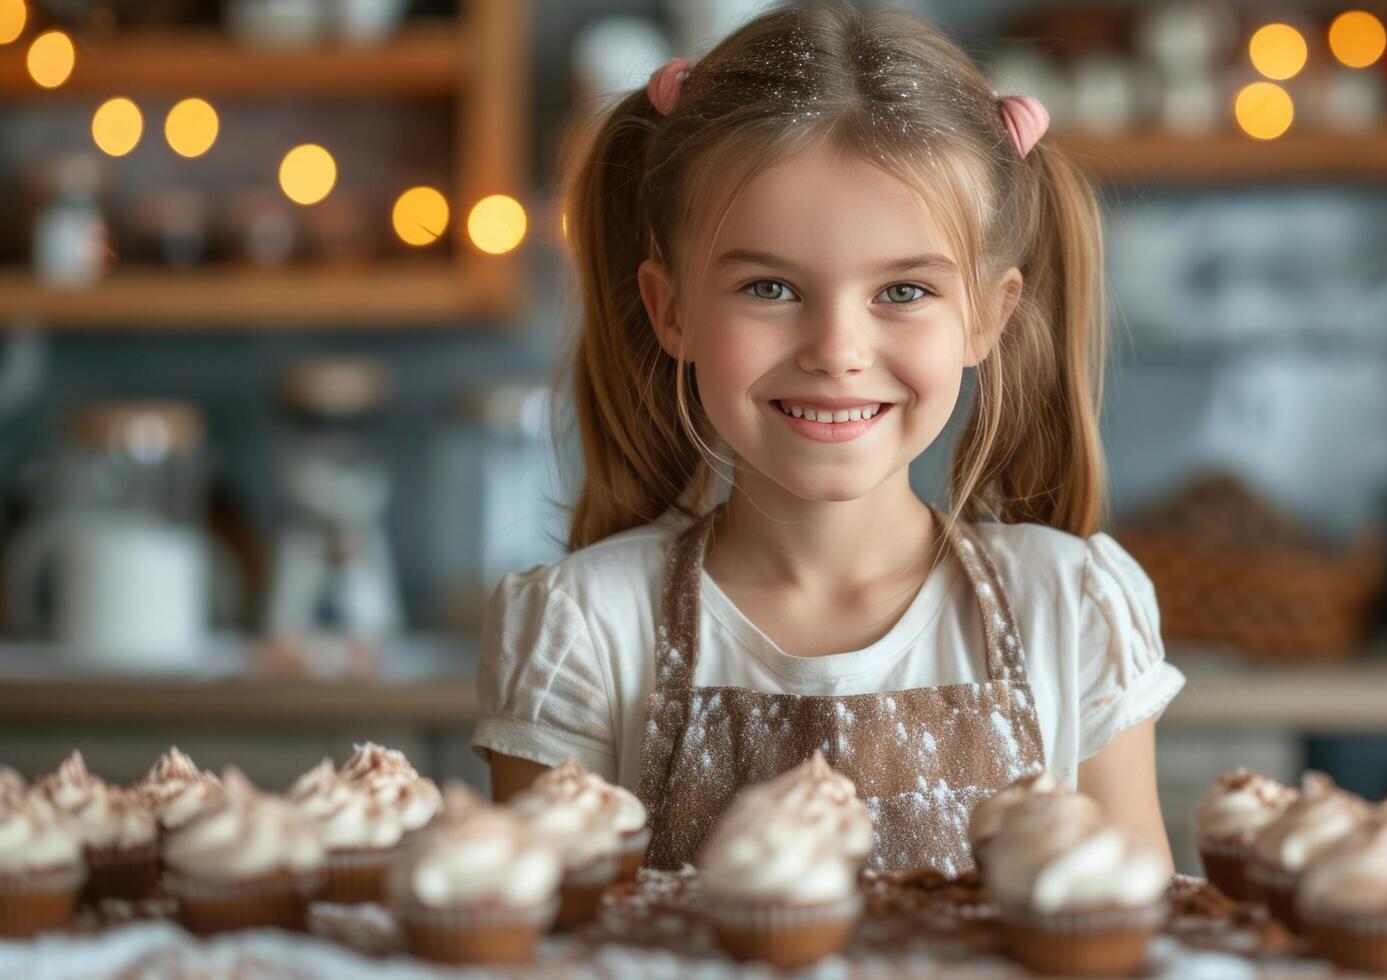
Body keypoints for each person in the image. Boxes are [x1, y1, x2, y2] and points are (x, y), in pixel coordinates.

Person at [474, 1, 1183, 875]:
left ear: (987, 318)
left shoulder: (1072, 611)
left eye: (903, 291)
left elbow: (1133, 942)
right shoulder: (586, 631)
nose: (837, 351)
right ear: (670, 310)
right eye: (769, 288)